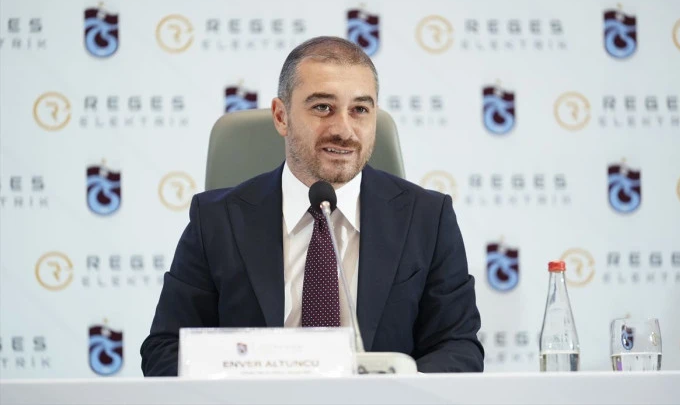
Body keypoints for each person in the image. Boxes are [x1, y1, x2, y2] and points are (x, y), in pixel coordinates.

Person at [140, 36, 484, 375]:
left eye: (360, 110)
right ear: (281, 116)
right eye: (322, 108)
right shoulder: (216, 220)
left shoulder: (428, 219)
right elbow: (166, 350)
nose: (344, 130)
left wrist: (395, 393)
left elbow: (458, 347)